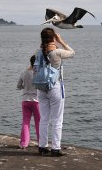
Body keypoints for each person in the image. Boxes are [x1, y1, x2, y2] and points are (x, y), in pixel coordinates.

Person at [36, 27, 75, 157]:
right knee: (57, 119)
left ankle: (42, 146)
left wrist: (51, 40)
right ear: (53, 38)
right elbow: (72, 52)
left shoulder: (38, 51)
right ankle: (55, 148)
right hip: (55, 87)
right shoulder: (57, 52)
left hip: (41, 88)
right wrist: (61, 41)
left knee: (44, 119)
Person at [17, 55, 40, 149]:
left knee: (25, 122)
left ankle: (24, 143)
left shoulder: (24, 72)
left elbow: (18, 86)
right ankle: (41, 142)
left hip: (25, 100)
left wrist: (25, 87)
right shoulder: (39, 73)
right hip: (37, 101)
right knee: (39, 122)